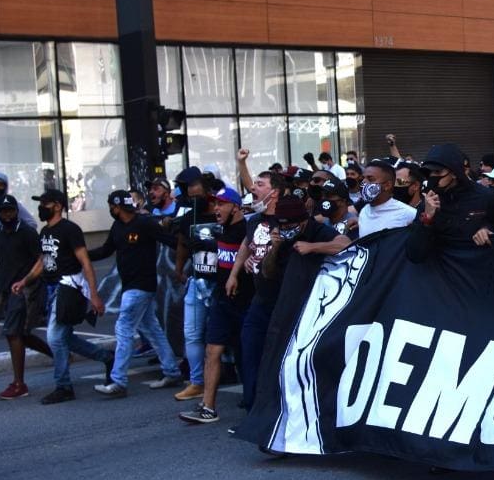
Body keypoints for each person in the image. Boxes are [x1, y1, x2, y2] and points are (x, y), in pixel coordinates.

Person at [226, 195, 348, 413]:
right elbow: (268, 271)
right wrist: (274, 248)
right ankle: (255, 410)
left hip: (303, 308)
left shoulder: (316, 230)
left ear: (302, 221)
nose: (287, 229)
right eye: (284, 226)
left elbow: (345, 244)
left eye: (292, 226)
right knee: (254, 352)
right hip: (268, 301)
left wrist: (313, 247)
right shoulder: (278, 233)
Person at [10, 189, 109, 405]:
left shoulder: (70, 229)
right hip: (53, 289)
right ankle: (107, 357)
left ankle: (63, 386)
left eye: (45, 203)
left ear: (57, 206)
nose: (40, 207)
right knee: (64, 338)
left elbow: (85, 262)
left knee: (55, 337)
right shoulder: (45, 232)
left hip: (69, 288)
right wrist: (25, 281)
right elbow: (42, 262)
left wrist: (94, 295)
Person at [87, 190, 183, 397]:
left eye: (112, 207)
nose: (111, 210)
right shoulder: (118, 226)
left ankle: (118, 381)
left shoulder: (145, 224)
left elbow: (171, 241)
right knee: (152, 329)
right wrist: (81, 255)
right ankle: (172, 371)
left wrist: (189, 247)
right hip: (130, 286)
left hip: (141, 286)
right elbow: (105, 250)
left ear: (118, 207)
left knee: (123, 328)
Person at [179, 187, 253, 425]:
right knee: (213, 351)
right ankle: (208, 407)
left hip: (247, 303)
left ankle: (255, 407)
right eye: (215, 204)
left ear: (236, 207)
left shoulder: (250, 231)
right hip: (222, 302)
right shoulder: (218, 231)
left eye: (221, 204)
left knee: (248, 357)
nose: (216, 209)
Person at [406, 143, 494, 260]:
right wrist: (427, 219)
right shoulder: (428, 203)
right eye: (429, 173)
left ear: (454, 172)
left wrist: (488, 230)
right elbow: (415, 255)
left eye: (437, 172)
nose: (433, 176)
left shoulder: (489, 197)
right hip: (440, 274)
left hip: (478, 270)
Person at [0, 194, 51, 400]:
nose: (7, 215)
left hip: (24, 290)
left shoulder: (27, 233)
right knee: (22, 335)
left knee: (12, 332)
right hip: (4, 290)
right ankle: (57, 355)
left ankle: (19, 384)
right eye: (3, 211)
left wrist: (26, 281)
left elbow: (42, 260)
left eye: (10, 211)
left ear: (16, 212)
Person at [357, 159, 419, 236]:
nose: (364, 182)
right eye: (363, 178)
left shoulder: (409, 214)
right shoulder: (364, 211)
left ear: (387, 185)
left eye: (370, 179)